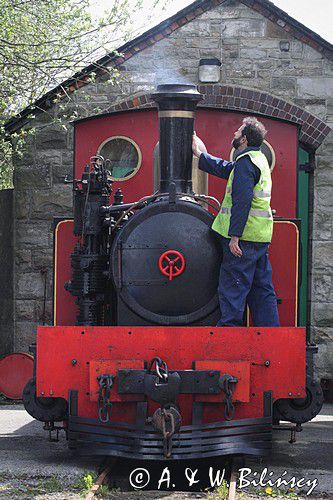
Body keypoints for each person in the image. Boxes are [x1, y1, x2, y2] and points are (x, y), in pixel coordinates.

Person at [192, 117, 280, 327]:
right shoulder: (257, 159)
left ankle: (229, 335)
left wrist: (235, 237)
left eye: (238, 132)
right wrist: (199, 154)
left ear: (245, 139)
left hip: (244, 238)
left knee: (233, 287)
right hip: (259, 236)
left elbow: (242, 202)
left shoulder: (246, 163)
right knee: (262, 290)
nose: (234, 134)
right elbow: (226, 168)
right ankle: (270, 336)